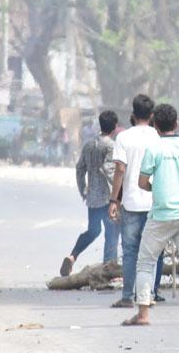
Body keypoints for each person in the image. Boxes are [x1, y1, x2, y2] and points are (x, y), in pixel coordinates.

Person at [121, 104, 179, 326]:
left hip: (160, 215)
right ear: (176, 124)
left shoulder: (154, 149)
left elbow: (142, 182)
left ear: (156, 126)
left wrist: (155, 187)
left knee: (145, 263)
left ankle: (143, 315)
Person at [108, 94, 164, 308]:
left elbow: (120, 169)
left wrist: (114, 199)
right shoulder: (158, 138)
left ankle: (127, 296)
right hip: (154, 203)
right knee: (152, 252)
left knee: (130, 251)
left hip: (131, 203)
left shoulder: (123, 138)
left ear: (132, 114)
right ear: (151, 116)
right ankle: (148, 295)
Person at [61, 110, 119, 276]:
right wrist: (119, 193)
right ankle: (109, 269)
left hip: (92, 198)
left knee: (93, 231)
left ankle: (73, 256)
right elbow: (109, 170)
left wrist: (83, 189)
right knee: (111, 232)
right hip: (108, 197)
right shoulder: (111, 146)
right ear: (114, 127)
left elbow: (80, 169)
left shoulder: (88, 144)